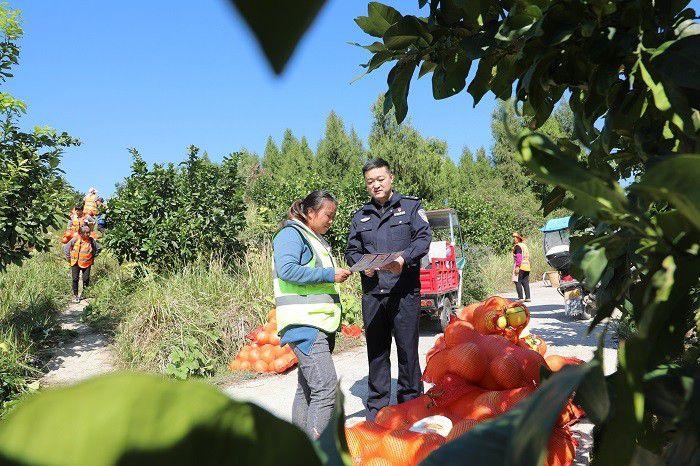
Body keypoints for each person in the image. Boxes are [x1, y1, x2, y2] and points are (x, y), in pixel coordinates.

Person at [345, 158, 431, 421]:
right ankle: (378, 408)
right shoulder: (360, 216)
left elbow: (424, 238)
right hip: (373, 294)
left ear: (391, 178)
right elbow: (351, 250)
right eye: (370, 181)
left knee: (408, 351)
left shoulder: (411, 207)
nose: (376, 185)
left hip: (405, 292)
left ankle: (411, 404)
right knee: (377, 351)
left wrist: (404, 259)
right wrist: (361, 266)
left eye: (380, 179)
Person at [272, 190, 351, 439]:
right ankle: (318, 453)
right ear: (310, 213)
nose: (331, 220)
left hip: (316, 325)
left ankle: (301, 449)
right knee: (326, 389)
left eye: (333, 216)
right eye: (328, 215)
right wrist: (329, 275)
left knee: (308, 389)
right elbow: (287, 270)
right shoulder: (291, 235)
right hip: (305, 326)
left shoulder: (312, 237)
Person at [63, 225, 101, 303]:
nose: (87, 234)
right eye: (85, 233)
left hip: (87, 263)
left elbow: (99, 248)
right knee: (75, 279)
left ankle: (85, 294)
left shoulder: (91, 240)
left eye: (88, 233)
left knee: (86, 279)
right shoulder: (75, 239)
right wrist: (69, 258)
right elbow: (66, 248)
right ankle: (75, 295)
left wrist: (93, 256)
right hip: (75, 262)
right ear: (81, 233)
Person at [512, 232, 531, 302]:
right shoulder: (524, 246)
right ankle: (528, 297)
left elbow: (519, 257)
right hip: (527, 265)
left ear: (519, 239)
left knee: (517, 281)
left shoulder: (518, 246)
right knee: (525, 281)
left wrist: (517, 266)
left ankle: (520, 298)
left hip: (520, 266)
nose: (514, 239)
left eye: (515, 238)